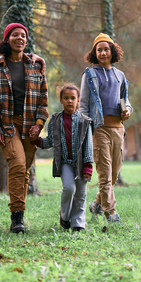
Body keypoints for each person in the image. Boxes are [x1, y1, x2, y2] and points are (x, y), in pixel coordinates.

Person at [0, 23, 48, 233]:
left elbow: (43, 99)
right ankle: (16, 218)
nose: (19, 38)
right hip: (8, 124)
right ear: (7, 39)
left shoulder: (36, 65)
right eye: (14, 35)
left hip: (30, 125)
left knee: (25, 170)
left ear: (26, 41)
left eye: (22, 35)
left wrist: (39, 125)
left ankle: (19, 216)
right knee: (18, 166)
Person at [80, 33, 132, 223]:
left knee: (114, 174)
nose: (103, 52)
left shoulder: (120, 75)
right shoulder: (89, 74)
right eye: (99, 50)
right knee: (104, 173)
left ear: (112, 51)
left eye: (106, 49)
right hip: (99, 128)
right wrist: (87, 127)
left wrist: (128, 111)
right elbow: (83, 104)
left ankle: (96, 205)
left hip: (118, 129)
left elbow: (126, 101)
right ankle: (111, 213)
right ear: (95, 53)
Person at [34, 83, 93, 232]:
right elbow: (51, 140)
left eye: (73, 98)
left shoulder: (85, 122)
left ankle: (78, 223)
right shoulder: (55, 120)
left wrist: (88, 165)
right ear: (61, 100)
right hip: (65, 162)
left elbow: (88, 145)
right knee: (69, 188)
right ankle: (65, 217)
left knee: (80, 193)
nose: (69, 101)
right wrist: (38, 141)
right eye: (66, 98)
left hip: (81, 163)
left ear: (78, 100)